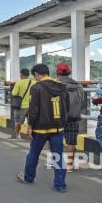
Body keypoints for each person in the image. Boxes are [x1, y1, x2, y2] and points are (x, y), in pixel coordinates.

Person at [17, 63, 68, 193]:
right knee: (58, 155)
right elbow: (66, 106)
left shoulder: (36, 87)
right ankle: (60, 184)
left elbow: (33, 110)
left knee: (34, 153)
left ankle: (28, 177)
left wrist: (30, 126)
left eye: (35, 76)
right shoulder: (62, 87)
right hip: (58, 127)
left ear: (37, 74)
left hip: (41, 128)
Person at [56, 63, 85, 172]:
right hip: (73, 116)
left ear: (57, 72)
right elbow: (82, 103)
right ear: (69, 72)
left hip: (57, 118)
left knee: (54, 139)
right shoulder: (79, 86)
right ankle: (69, 166)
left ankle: (55, 162)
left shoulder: (54, 84)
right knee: (71, 142)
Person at [11, 69, 34, 139]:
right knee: (30, 121)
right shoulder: (33, 82)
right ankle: (29, 134)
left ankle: (18, 135)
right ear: (28, 75)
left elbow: (14, 93)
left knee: (18, 122)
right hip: (31, 105)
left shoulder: (19, 82)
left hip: (21, 106)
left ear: (21, 74)